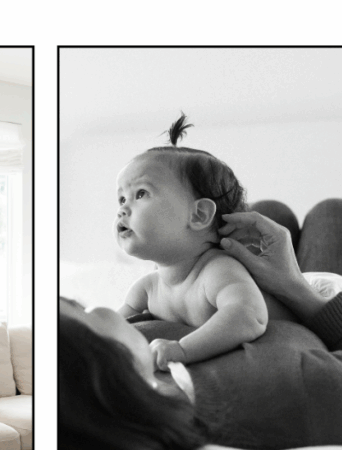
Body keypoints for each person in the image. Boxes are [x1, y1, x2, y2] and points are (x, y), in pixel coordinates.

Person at [59, 202, 342, 450]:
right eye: (83, 309)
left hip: (258, 285)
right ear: (110, 361)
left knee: (268, 213)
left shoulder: (136, 342)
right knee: (332, 212)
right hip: (324, 306)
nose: (97, 307)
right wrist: (297, 290)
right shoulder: (293, 388)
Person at [115, 114, 295, 370]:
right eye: (121, 199)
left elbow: (249, 317)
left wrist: (182, 350)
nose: (122, 210)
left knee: (274, 214)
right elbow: (109, 330)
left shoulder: (217, 271)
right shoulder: (146, 289)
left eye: (140, 194)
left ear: (199, 215)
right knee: (272, 210)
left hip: (315, 306)